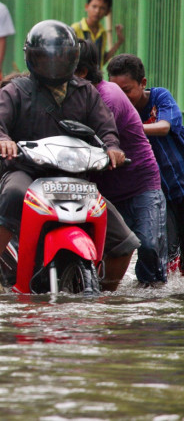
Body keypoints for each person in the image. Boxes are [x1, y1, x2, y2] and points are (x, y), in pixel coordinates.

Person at [0, 20, 125, 294]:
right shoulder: (16, 90)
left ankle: (105, 291)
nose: (54, 64)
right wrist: (2, 140)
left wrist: (112, 147)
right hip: (26, 170)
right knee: (13, 194)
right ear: (33, 58)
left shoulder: (86, 93)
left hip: (73, 176)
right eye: (47, 57)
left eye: (61, 57)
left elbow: (107, 129)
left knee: (125, 240)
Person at [76, 41, 166, 288]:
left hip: (140, 185)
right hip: (104, 189)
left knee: (148, 247)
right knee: (103, 251)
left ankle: (151, 304)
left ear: (80, 72)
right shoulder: (78, 98)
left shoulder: (109, 96)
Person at [108, 53, 184, 279]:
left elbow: (163, 127)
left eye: (127, 90)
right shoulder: (112, 111)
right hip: (160, 195)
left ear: (143, 84)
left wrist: (130, 127)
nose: (122, 97)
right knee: (166, 252)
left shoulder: (159, 97)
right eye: (115, 91)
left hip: (181, 184)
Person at [71, 0, 124, 67]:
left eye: (102, 8)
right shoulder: (75, 29)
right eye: (94, 6)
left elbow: (101, 60)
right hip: (78, 77)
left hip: (95, 77)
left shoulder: (102, 32)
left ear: (108, 12)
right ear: (87, 7)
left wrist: (119, 42)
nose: (97, 11)